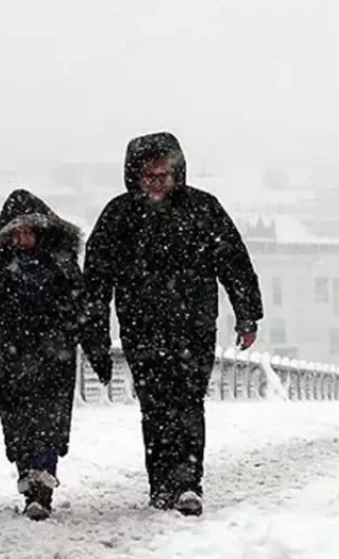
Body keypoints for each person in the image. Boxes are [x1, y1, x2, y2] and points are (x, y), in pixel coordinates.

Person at [83, 132, 263, 517]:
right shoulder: (119, 216)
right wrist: (94, 331)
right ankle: (161, 483)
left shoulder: (203, 209)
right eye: (150, 175)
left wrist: (247, 314)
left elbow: (233, 262)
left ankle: (187, 482)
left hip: (193, 326)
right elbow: (96, 279)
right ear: (135, 176)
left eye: (164, 174)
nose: (158, 183)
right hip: (141, 327)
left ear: (177, 173)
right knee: (155, 405)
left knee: (187, 401)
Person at [0, 189, 113, 521]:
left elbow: (83, 311)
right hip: (9, 360)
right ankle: (29, 480)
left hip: (52, 359)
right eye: (15, 233)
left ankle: (40, 488)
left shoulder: (61, 265)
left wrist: (97, 352)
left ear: (43, 230)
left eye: (28, 231)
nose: (22, 238)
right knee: (18, 427)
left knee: (47, 423)